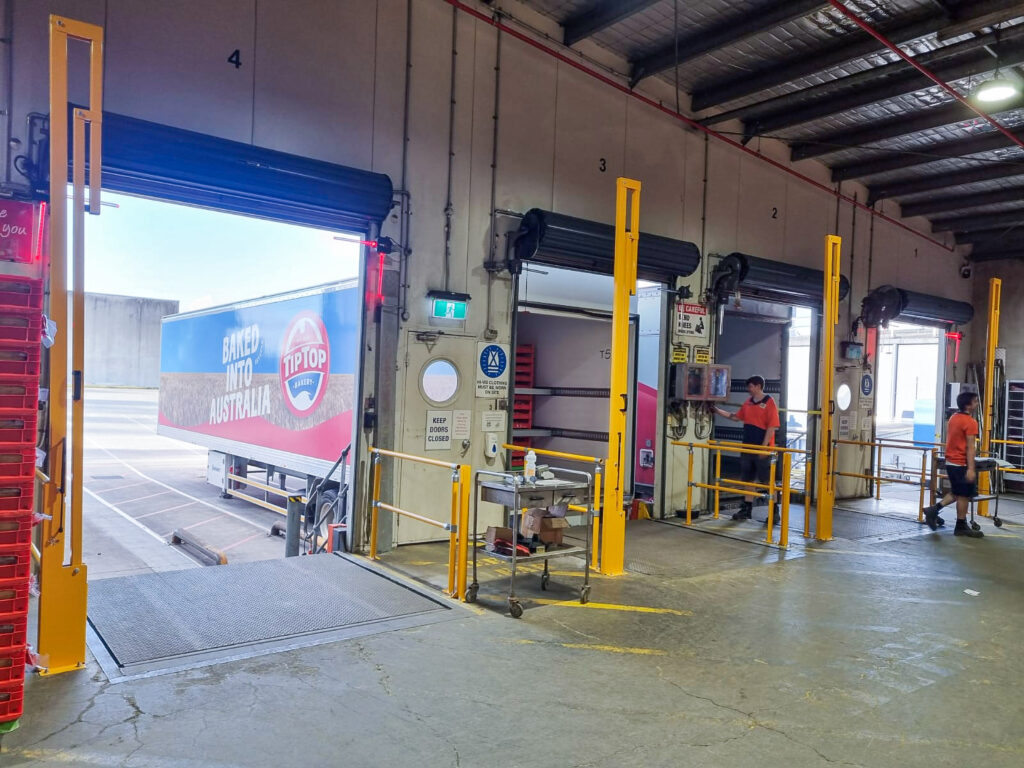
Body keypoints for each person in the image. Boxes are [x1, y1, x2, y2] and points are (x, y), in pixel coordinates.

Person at [713, 375, 780, 522]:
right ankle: (746, 509)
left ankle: (774, 511)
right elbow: (735, 417)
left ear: (758, 386)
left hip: (762, 449)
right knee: (748, 480)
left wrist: (763, 448)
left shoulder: (769, 402)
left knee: (768, 481)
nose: (748, 390)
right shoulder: (748, 403)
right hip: (747, 447)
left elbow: (772, 427)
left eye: (750, 386)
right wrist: (717, 410)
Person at [922, 391, 984, 538]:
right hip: (960, 463)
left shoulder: (953, 418)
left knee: (957, 492)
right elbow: (970, 447)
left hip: (950, 461)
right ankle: (960, 526)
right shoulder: (970, 422)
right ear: (968, 405)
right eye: (975, 401)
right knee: (963, 495)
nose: (976, 404)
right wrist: (970, 468)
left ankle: (933, 510)